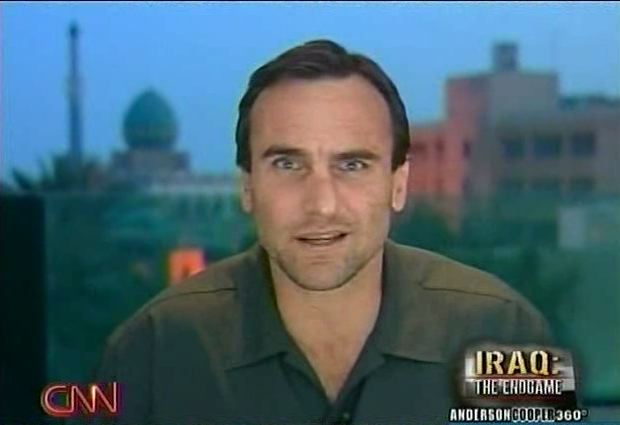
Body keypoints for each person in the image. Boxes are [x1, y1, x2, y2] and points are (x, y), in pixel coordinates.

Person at [94, 40, 551, 425]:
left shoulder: (506, 331)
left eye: (352, 165)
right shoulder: (153, 349)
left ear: (398, 184)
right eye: (287, 164)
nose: (322, 204)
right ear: (247, 187)